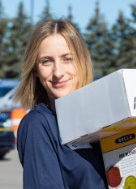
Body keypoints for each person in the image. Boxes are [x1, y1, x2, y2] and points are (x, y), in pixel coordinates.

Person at [14, 19, 108, 189]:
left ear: (82, 62)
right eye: (46, 61)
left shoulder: (104, 119)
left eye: (67, 59)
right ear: (35, 70)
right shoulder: (38, 125)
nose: (58, 72)